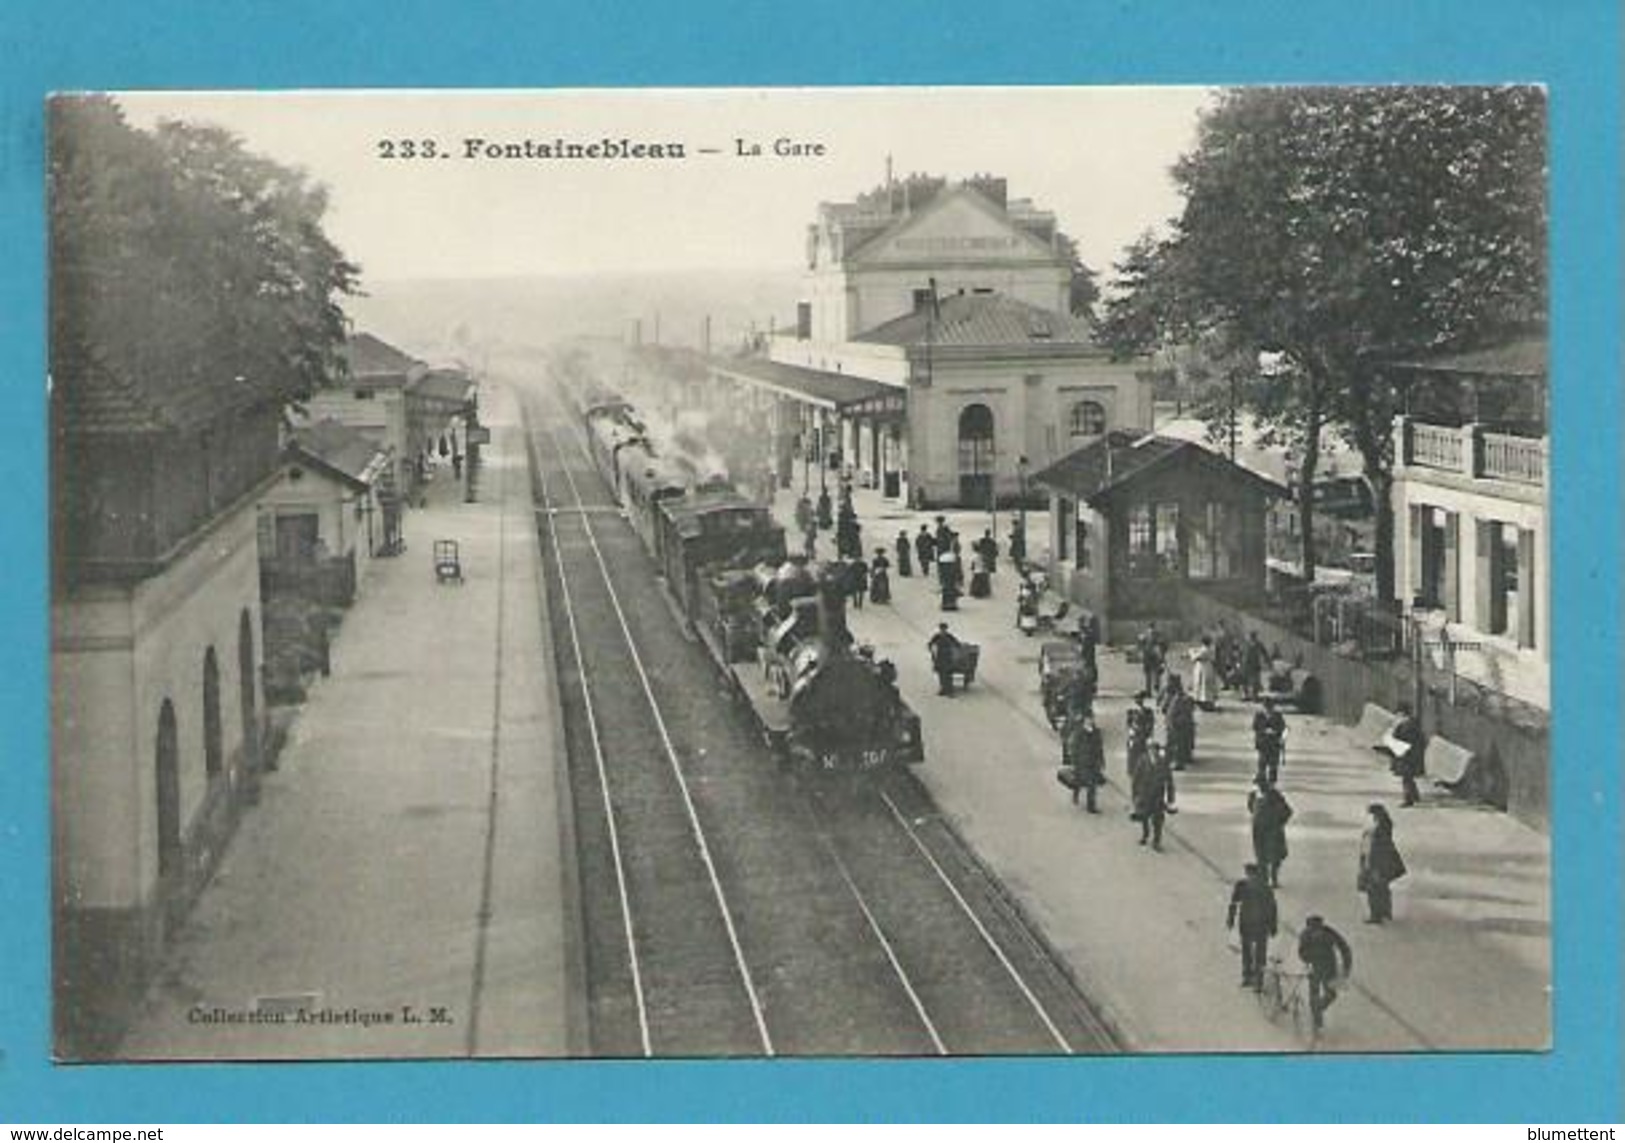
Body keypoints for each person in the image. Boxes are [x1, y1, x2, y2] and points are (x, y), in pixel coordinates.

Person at [1297, 915, 1354, 1033]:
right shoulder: (1307, 934)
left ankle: (1317, 1011)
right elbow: (1302, 953)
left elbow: (1344, 947)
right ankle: (1317, 1020)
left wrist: (1347, 966)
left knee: (1329, 994)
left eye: (1317, 926)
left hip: (1327, 967)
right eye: (1314, 926)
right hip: (1317, 968)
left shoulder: (1326, 932)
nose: (1316, 929)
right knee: (1318, 993)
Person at [1227, 863, 1279, 990]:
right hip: (1258, 924)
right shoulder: (1264, 887)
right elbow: (1272, 907)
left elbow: (1233, 903)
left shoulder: (1244, 885)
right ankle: (1255, 979)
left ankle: (1250, 977)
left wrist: (1231, 919)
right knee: (1256, 951)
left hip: (1250, 923)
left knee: (1249, 949)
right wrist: (1273, 926)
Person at [1358, 803, 1408, 923]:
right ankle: (1385, 912)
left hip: (1377, 863)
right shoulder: (1382, 826)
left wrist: (1371, 866)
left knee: (1374, 889)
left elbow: (1374, 849)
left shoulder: (1379, 830)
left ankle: (1376, 915)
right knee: (1382, 887)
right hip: (1381, 862)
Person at [1248, 778, 1294, 888]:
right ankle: (1264, 879)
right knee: (1261, 854)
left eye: (1263, 785)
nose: (1260, 788)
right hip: (1259, 829)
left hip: (1273, 829)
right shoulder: (1253, 795)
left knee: (1275, 856)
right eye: (1258, 785)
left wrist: (1279, 822)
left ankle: (1273, 879)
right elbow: (1251, 808)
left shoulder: (1274, 795)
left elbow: (1288, 811)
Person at [1131, 743, 1174, 850]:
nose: (1153, 753)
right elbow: (1136, 779)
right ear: (1148, 751)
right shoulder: (1142, 761)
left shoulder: (1163, 762)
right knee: (1144, 817)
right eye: (1151, 751)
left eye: (1155, 751)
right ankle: (1145, 835)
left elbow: (1169, 781)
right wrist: (1135, 795)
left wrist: (1170, 798)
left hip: (1158, 796)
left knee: (1158, 821)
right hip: (1144, 795)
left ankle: (1156, 841)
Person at [1062, 711, 1106, 813]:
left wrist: (1102, 761)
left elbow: (1100, 748)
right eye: (1088, 719)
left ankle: (1091, 806)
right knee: (1083, 782)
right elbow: (1074, 748)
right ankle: (1077, 795)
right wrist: (1074, 762)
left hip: (1094, 762)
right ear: (1084, 721)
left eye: (1091, 719)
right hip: (1082, 763)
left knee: (1092, 784)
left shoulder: (1096, 732)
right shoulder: (1079, 733)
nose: (1090, 721)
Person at [1385, 702, 1425, 807]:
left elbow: (1401, 739)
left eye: (1398, 713)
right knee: (1408, 777)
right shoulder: (1411, 723)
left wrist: (1394, 730)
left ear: (1402, 714)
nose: (1397, 716)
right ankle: (1415, 795)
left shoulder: (1407, 725)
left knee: (1406, 778)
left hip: (1408, 756)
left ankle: (1408, 799)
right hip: (1411, 755)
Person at [1162, 675, 1197, 771]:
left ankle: (1178, 761)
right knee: (1180, 742)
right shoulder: (1176, 696)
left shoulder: (1177, 697)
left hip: (1178, 724)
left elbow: (1164, 708)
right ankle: (1183, 757)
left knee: (1177, 743)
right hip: (1180, 723)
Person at [1252, 695, 1287, 786]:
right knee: (1262, 763)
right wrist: (1264, 731)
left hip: (1274, 743)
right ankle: (1261, 780)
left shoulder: (1278, 715)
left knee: (1273, 764)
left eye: (1270, 707)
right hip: (1263, 743)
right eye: (1266, 707)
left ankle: (1272, 782)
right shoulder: (1259, 715)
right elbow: (1255, 727)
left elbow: (1283, 727)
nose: (1268, 709)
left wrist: (1276, 732)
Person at [928, 622, 961, 697]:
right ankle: (943, 689)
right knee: (941, 675)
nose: (943, 631)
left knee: (948, 675)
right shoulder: (937, 636)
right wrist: (932, 652)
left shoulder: (949, 636)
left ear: (946, 629)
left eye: (944, 629)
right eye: (942, 629)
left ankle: (950, 691)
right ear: (940, 629)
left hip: (948, 658)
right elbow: (930, 644)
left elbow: (957, 644)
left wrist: (956, 651)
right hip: (940, 657)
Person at [1137, 621, 1167, 697]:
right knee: (1154, 674)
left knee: (1150, 675)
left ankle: (1150, 691)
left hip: (1149, 656)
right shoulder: (1157, 635)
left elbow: (1140, 645)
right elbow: (1163, 646)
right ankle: (1154, 690)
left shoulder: (1145, 635)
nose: (1151, 630)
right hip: (1153, 656)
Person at [1190, 635, 1220, 711]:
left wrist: (1191, 652)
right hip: (1207, 667)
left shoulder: (1205, 650)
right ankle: (1205, 701)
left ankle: (1204, 702)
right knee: (1204, 684)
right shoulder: (1209, 649)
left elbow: (1195, 657)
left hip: (1203, 668)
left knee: (1203, 684)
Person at [1241, 632, 1268, 702]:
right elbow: (1240, 652)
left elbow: (1264, 652)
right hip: (1246, 664)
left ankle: (1255, 696)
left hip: (1255, 664)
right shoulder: (1245, 644)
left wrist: (1267, 660)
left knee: (1256, 681)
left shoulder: (1259, 644)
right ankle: (1246, 694)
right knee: (1245, 680)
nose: (1252, 638)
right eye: (1251, 636)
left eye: (1254, 636)